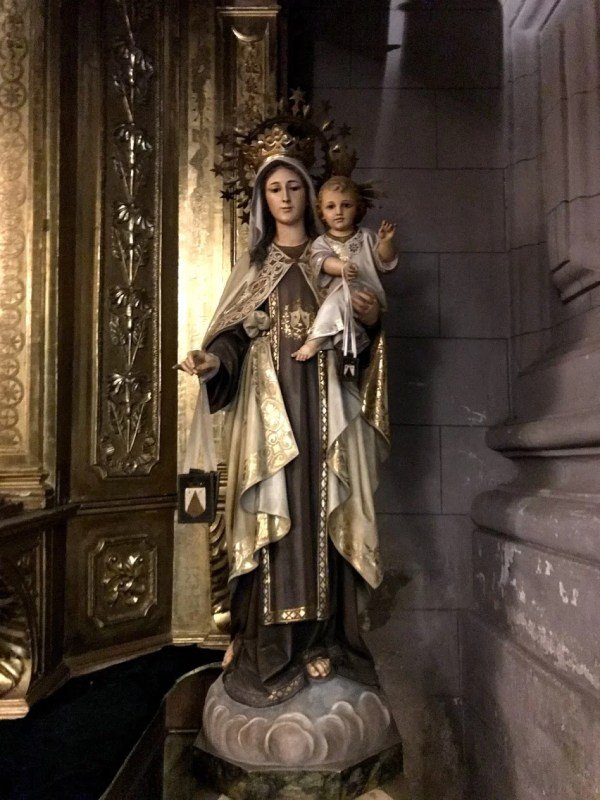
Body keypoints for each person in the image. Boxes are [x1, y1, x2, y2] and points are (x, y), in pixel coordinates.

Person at [178, 155, 390, 708]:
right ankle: (266, 645)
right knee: (273, 518)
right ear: (262, 199)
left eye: (295, 186)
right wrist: (213, 362)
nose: (287, 197)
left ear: (310, 196)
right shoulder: (256, 267)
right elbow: (229, 337)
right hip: (268, 418)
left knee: (326, 512)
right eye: (275, 189)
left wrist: (370, 318)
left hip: (327, 414)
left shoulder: (331, 257)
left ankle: (326, 642)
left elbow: (363, 338)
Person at [291, 176, 397, 362]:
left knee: (343, 303)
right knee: (339, 301)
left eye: (346, 205)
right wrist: (343, 267)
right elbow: (322, 261)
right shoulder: (322, 242)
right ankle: (339, 351)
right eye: (330, 207)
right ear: (321, 212)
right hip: (338, 295)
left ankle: (315, 341)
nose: (338, 212)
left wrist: (385, 243)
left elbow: (385, 262)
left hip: (365, 294)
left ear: (357, 208)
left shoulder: (367, 237)